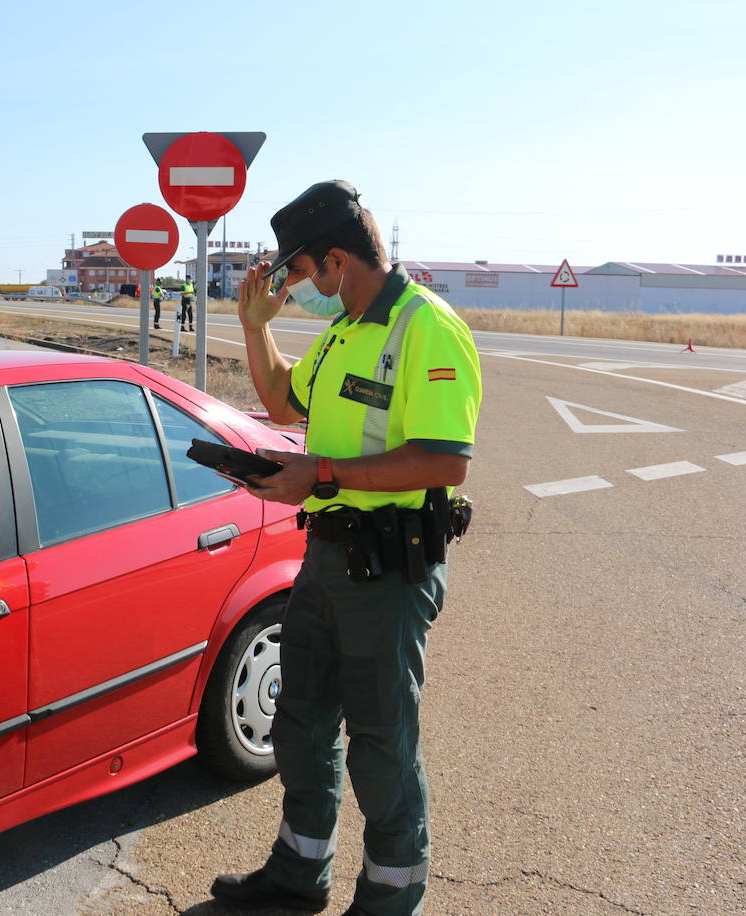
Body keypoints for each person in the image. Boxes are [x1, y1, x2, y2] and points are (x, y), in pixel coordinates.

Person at [210, 180, 482, 916]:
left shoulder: (425, 326)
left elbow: (445, 461)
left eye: (297, 275)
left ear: (337, 261)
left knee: (381, 741)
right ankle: (300, 874)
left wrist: (320, 473)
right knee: (300, 722)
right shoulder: (341, 333)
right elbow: (281, 403)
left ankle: (391, 898)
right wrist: (253, 324)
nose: (297, 289)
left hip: (389, 570)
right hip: (325, 558)